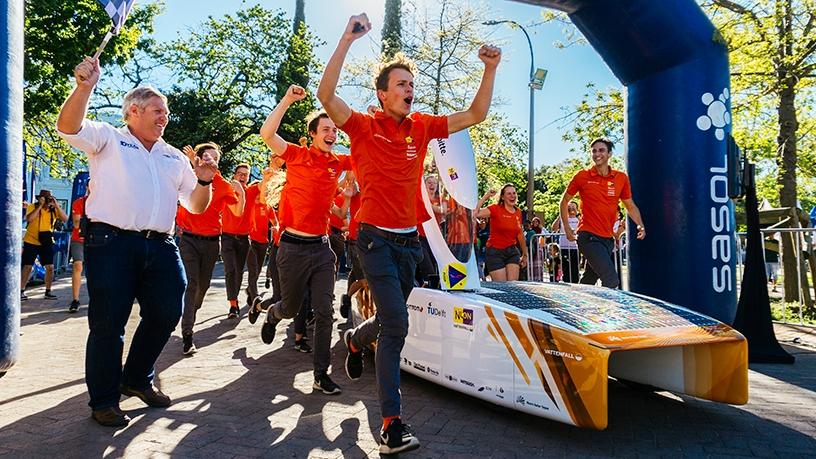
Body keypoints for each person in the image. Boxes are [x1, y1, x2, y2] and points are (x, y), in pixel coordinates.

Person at [317, 13, 501, 454]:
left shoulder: (422, 126)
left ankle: (354, 340)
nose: (408, 90)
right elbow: (326, 95)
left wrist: (490, 69)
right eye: (400, 84)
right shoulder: (363, 125)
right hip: (375, 239)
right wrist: (346, 38)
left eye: (410, 84)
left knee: (388, 319)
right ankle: (391, 423)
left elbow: (476, 114)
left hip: (408, 243)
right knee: (398, 324)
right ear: (382, 95)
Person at [56, 56, 216, 427]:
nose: (165, 117)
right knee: (109, 322)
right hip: (110, 242)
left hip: (161, 246)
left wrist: (204, 181)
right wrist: (84, 87)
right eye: (158, 110)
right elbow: (68, 126)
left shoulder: (173, 156)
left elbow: (195, 204)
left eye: (166, 112)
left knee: (167, 310)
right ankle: (105, 401)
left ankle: (137, 378)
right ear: (133, 111)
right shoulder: (108, 137)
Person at [249, 84, 352, 395]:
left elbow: (367, 156)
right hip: (292, 247)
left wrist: (346, 198)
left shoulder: (338, 163)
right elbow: (268, 134)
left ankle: (321, 374)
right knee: (292, 309)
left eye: (335, 129)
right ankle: (272, 313)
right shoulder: (296, 155)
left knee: (325, 311)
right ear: (313, 133)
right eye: (326, 129)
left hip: (322, 249)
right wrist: (287, 99)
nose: (332, 133)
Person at [176, 143, 243, 355]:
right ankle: (188, 334)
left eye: (215, 158)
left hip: (212, 242)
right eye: (206, 156)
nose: (210, 160)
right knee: (192, 283)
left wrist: (242, 193)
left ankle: (190, 312)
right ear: (199, 157)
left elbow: (238, 212)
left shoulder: (223, 185)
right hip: (188, 239)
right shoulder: (189, 175)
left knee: (201, 287)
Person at [560, 137, 645, 288]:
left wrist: (640, 225)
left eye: (601, 150)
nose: (597, 154)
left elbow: (630, 206)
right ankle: (609, 311)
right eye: (594, 151)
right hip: (588, 237)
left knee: (589, 279)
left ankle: (577, 306)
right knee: (611, 280)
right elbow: (564, 201)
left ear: (610, 154)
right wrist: (567, 228)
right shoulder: (582, 176)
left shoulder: (621, 178)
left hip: (607, 240)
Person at [21, 189, 69, 301]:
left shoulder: (53, 210)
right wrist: (40, 206)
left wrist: (56, 205)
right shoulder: (33, 206)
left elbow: (65, 218)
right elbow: (29, 219)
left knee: (50, 267)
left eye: (49, 199)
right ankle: (21, 290)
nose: (47, 201)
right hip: (31, 240)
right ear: (40, 198)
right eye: (45, 199)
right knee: (27, 266)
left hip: (46, 241)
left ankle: (48, 291)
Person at [474, 185, 528, 282]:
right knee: (502, 286)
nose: (512, 196)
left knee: (512, 286)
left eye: (514, 193)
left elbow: (520, 234)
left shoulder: (518, 212)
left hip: (512, 251)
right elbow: (476, 213)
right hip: (495, 252)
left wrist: (525, 254)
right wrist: (486, 197)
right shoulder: (495, 209)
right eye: (509, 193)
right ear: (503, 197)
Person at [221, 163, 251, 318]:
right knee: (230, 270)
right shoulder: (227, 191)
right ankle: (233, 304)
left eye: (246, 174)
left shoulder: (250, 192)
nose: (242, 177)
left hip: (244, 238)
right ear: (234, 175)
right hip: (227, 237)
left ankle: (235, 299)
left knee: (238, 272)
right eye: (240, 174)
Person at [69, 187, 89, 312]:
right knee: (78, 266)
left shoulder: (104, 203)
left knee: (97, 269)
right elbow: (76, 224)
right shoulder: (79, 202)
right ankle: (75, 300)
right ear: (88, 187)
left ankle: (99, 300)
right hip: (79, 239)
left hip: (97, 240)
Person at [552, 200, 580, 283]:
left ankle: (576, 284)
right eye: (569, 207)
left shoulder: (579, 219)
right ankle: (567, 283)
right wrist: (561, 215)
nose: (571, 209)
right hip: (564, 247)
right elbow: (554, 228)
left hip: (575, 248)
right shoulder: (563, 219)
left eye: (573, 207)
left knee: (575, 268)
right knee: (565, 268)